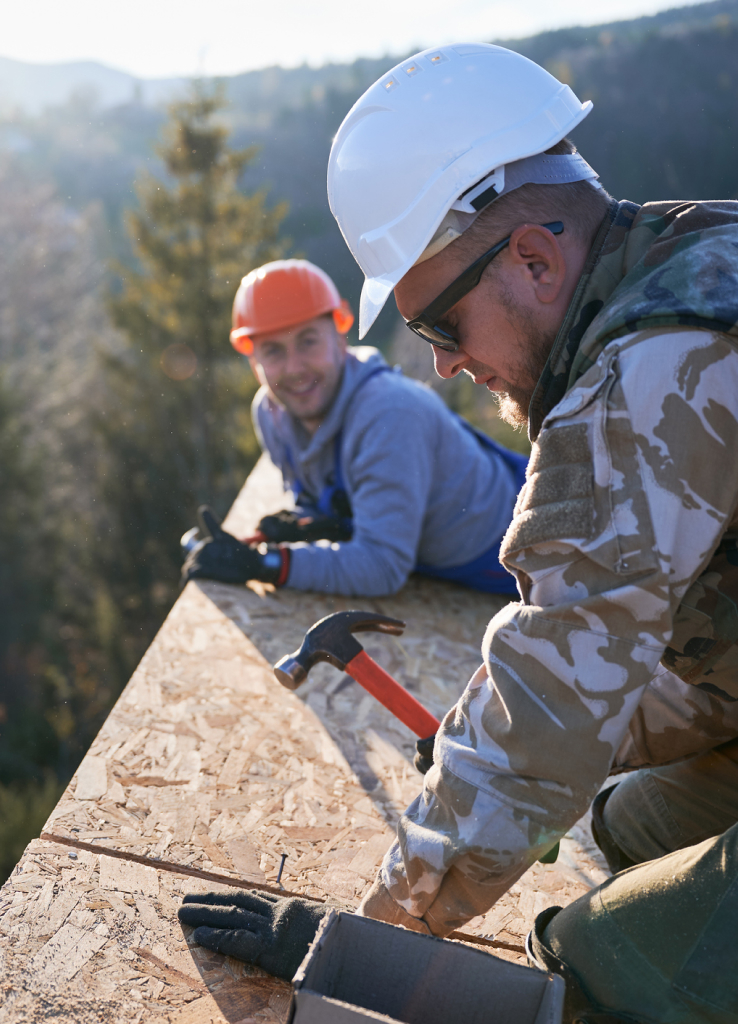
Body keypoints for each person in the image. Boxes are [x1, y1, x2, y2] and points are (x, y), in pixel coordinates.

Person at [179, 44, 738, 1022]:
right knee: (621, 823)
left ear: (533, 257)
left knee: (600, 962)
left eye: (442, 325)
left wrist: (365, 943)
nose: (442, 367)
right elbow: (601, 681)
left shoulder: (644, 383)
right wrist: (542, 736)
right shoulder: (696, 255)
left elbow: (545, 721)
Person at [181, 258, 526, 597]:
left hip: (514, 547)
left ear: (339, 337)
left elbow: (382, 567)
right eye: (272, 351)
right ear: (253, 360)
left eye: (308, 341)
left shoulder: (389, 413)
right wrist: (306, 523)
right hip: (437, 557)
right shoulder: (272, 414)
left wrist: (265, 565)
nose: (294, 368)